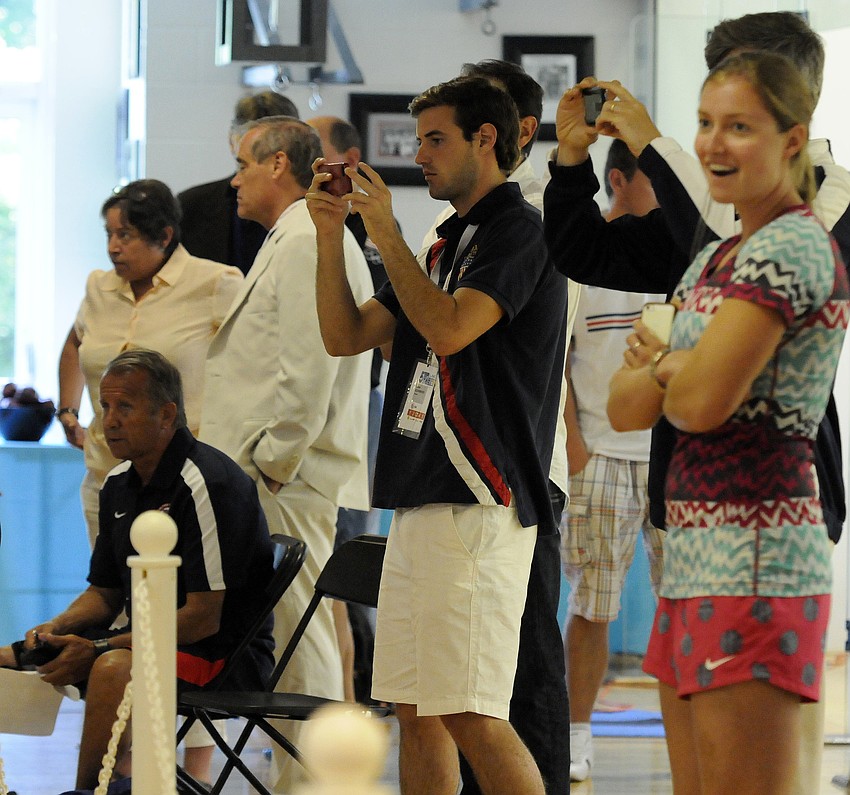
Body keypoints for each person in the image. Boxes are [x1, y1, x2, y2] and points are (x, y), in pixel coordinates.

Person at [543, 13, 850, 794]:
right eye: (706, 119)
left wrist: (671, 363)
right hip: (691, 536)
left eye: (739, 122)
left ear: (792, 122)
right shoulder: (715, 250)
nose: (713, 142)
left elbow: (705, 397)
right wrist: (572, 162)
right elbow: (628, 400)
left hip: (760, 543)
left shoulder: (807, 229)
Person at [307, 75, 568, 795]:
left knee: (471, 710)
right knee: (417, 707)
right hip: (421, 490)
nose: (418, 154)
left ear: (486, 139)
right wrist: (331, 237)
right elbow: (345, 335)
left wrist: (386, 232)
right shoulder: (445, 242)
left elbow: (452, 328)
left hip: (481, 495)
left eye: (434, 139)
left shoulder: (522, 231)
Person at [0, 349, 275, 791]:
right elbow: (105, 593)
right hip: (152, 639)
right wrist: (56, 627)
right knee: (14, 656)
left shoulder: (207, 483)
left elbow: (204, 618)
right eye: (104, 406)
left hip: (223, 656)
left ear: (166, 414)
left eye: (124, 407)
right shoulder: (118, 483)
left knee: (113, 666)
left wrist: (100, 646)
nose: (109, 421)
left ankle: (89, 791)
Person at [199, 115, 373, 793]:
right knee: (291, 631)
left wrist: (274, 460)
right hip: (275, 473)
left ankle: (319, 784)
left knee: (302, 634)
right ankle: (304, 779)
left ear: (277, 164)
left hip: (286, 475)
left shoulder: (306, 240)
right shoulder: (294, 236)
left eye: (243, 164)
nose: (233, 181)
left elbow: (310, 365)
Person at [420, 59, 573, 795]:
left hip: (509, 471)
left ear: (509, 132)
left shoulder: (537, 220)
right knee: (434, 691)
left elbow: (476, 335)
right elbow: (385, 332)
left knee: (516, 678)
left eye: (441, 136)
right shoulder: (451, 225)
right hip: (441, 466)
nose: (428, 152)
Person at [57, 179, 242, 549]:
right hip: (106, 475)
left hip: (182, 478)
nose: (112, 247)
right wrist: (68, 411)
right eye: (109, 234)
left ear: (164, 235)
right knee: (110, 582)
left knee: (174, 581)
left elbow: (253, 364)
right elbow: (76, 344)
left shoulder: (215, 283)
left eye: (125, 235)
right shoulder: (99, 287)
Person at [562, 139, 665, 783]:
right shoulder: (581, 258)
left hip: (672, 453)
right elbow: (556, 363)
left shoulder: (679, 249)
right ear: (620, 181)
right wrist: (575, 447)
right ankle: (576, 733)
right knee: (593, 605)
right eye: (656, 181)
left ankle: (692, 728)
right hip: (600, 454)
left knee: (684, 601)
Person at [306, 113, 390, 706]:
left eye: (319, 153)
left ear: (351, 160)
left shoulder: (379, 235)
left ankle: (357, 697)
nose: (311, 166)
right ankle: (347, 698)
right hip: (332, 406)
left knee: (346, 559)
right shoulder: (312, 225)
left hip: (362, 409)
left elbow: (375, 342)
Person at [178, 91, 300, 274]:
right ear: (232, 141)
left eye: (270, 145)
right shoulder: (190, 207)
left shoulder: (325, 214)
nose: (261, 154)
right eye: (251, 143)